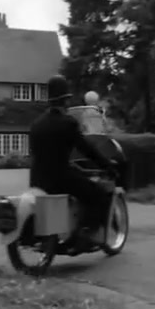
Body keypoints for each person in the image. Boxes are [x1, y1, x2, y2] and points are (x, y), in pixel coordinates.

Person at [28, 75, 116, 236]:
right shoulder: (68, 123)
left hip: (37, 179)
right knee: (98, 194)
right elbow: (86, 149)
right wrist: (107, 165)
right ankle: (88, 231)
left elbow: (37, 152)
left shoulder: (36, 124)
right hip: (60, 179)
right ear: (66, 101)